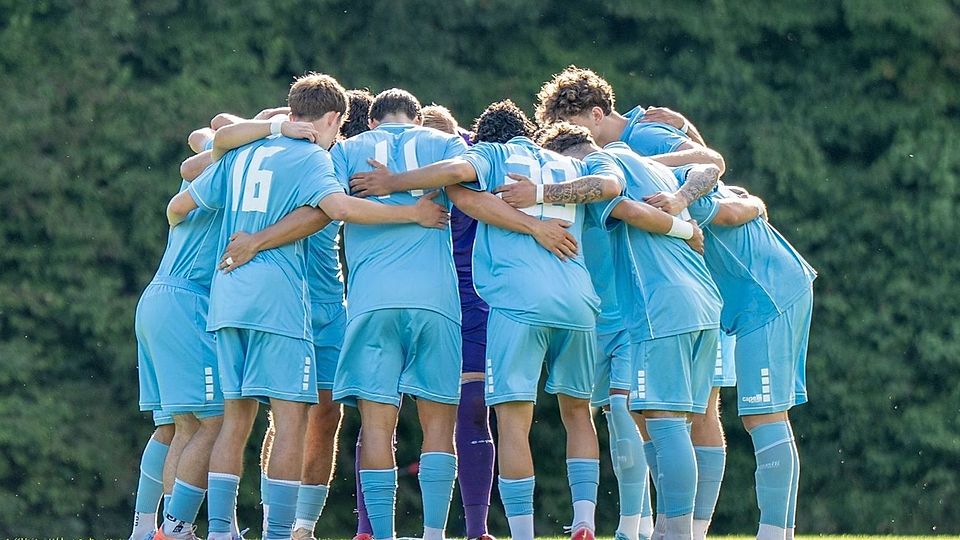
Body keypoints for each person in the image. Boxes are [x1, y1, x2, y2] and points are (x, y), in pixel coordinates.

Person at [164, 73, 448, 540]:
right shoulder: (311, 155)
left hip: (277, 298)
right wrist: (411, 212)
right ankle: (271, 529)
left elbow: (200, 154)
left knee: (298, 416)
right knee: (288, 417)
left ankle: (276, 528)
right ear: (336, 120)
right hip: (285, 299)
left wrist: (264, 128)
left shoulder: (278, 151)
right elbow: (333, 207)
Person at [348, 99, 623, 540]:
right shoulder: (566, 162)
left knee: (513, 422)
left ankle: (522, 533)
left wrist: (393, 182)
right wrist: (543, 196)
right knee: (578, 414)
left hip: (517, 302)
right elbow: (611, 184)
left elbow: (457, 175)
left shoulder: (491, 155)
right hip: (578, 300)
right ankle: (585, 519)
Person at [536, 66, 731, 536]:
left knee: (663, 422)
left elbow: (620, 205)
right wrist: (682, 201)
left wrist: (679, 224)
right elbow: (708, 167)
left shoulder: (602, 166)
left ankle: (674, 533)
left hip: (660, 305)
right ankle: (675, 529)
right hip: (703, 301)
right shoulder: (645, 161)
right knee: (660, 417)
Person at [328, 88, 470, 540]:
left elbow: (333, 207)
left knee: (376, 428)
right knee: (439, 426)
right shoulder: (443, 142)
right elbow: (464, 173)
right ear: (418, 119)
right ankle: (433, 534)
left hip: (372, 299)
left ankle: (383, 535)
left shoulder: (347, 149)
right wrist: (414, 205)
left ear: (372, 122)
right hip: (435, 299)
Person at [679, 177, 816, 540]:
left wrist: (752, 204)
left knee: (763, 414)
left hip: (767, 298)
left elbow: (729, 205)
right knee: (765, 416)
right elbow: (737, 195)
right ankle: (777, 533)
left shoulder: (676, 183)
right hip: (763, 299)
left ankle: (773, 534)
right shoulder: (672, 175)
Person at [132, 119, 238, 540]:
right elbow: (207, 140)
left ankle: (148, 529)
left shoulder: (220, 160)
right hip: (186, 302)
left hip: (158, 298)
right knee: (215, 421)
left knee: (180, 426)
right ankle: (176, 528)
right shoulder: (233, 172)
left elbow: (203, 136)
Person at [421, 103, 497, 540]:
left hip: (455, 293)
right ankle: (476, 528)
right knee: (470, 410)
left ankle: (370, 528)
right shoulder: (473, 154)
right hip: (460, 294)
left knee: (384, 414)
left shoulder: (466, 158)